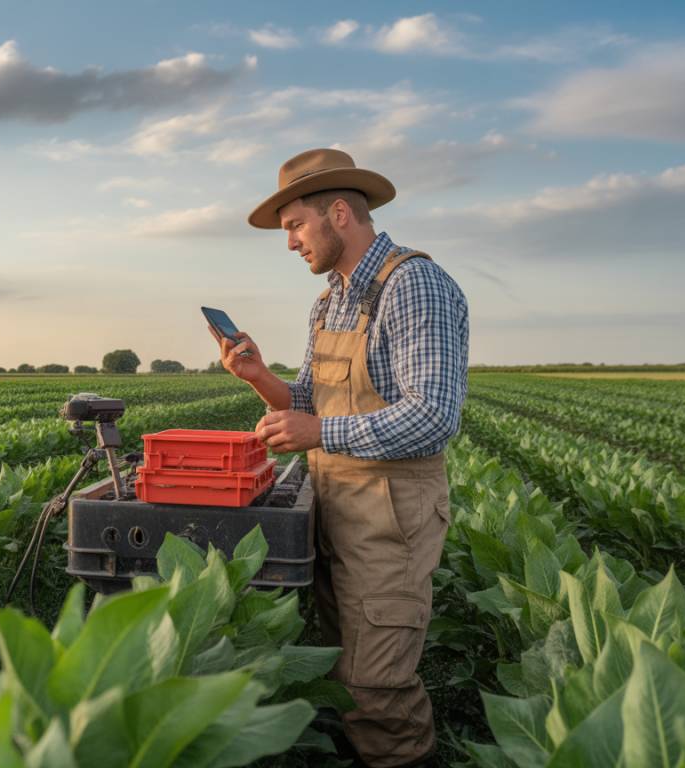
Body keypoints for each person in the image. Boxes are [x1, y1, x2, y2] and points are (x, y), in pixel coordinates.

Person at [212, 148, 469, 768]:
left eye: (296, 226)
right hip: (337, 514)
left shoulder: (414, 284)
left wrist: (319, 430)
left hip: (389, 524)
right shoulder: (332, 299)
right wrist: (256, 376)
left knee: (378, 693)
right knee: (345, 678)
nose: (291, 243)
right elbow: (306, 398)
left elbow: (433, 415)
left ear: (338, 214)